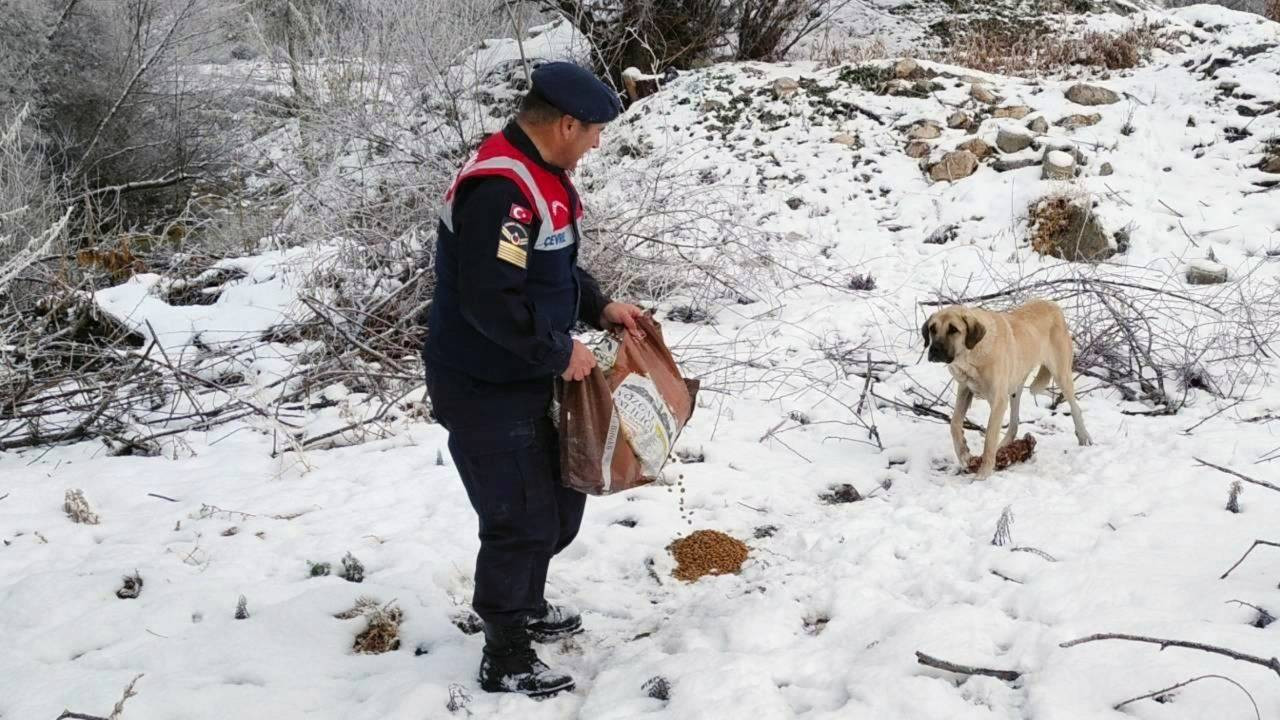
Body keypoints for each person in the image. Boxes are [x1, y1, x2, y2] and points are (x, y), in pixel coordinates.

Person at [422, 61, 647, 698]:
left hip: (527, 372)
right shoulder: (501, 190)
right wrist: (558, 351)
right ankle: (505, 650)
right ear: (567, 123)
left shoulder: (545, 176)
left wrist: (598, 305)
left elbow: (554, 270)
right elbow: (490, 301)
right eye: (595, 130)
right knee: (518, 519)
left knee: (559, 505)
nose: (599, 142)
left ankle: (529, 601)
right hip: (483, 382)